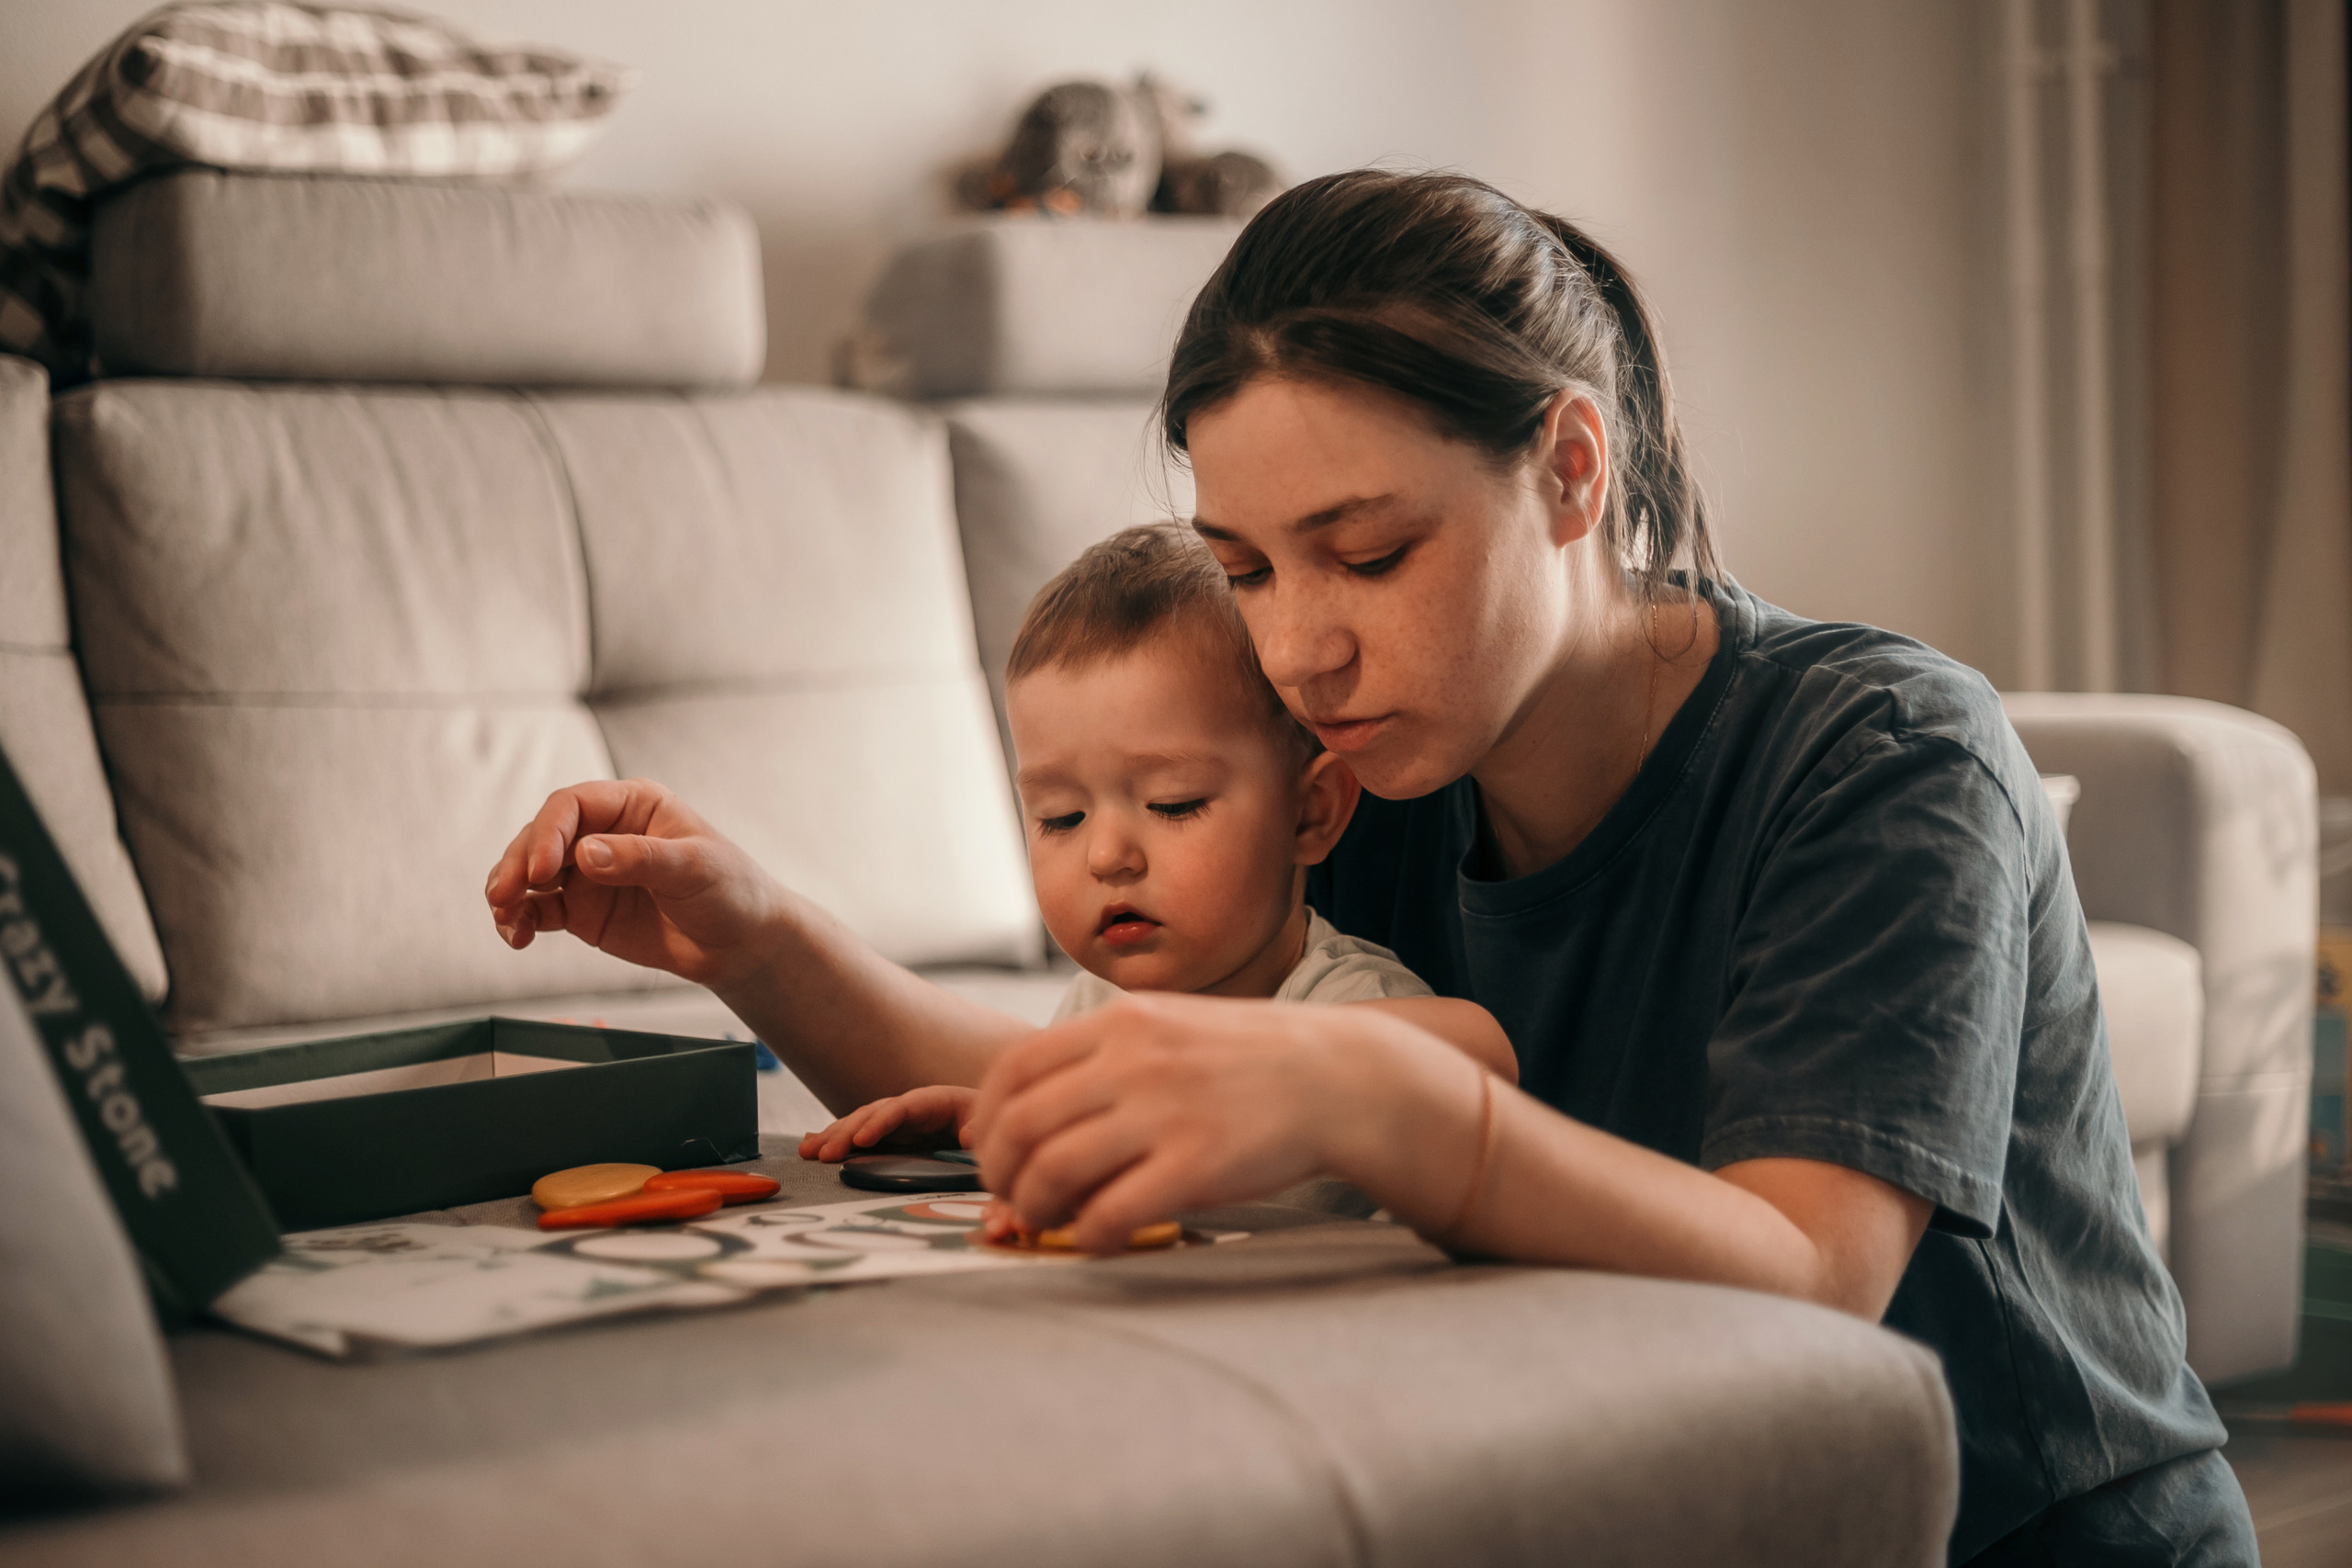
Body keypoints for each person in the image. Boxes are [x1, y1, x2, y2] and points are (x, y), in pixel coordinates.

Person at [483, 170, 2253, 1562]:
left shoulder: (1877, 754)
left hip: (2011, 1529)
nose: (1303, 649)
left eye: (1366, 552)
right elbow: (1104, 1077)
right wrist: (756, 935)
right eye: (1248, 569)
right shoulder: (1371, 755)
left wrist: (1375, 1099)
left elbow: (1808, 1286)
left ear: (1570, 469)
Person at [793, 522, 1513, 1166]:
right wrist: (1000, 1122)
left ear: (1310, 815)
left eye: (1174, 804)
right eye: (1060, 818)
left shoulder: (1343, 1000)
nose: (1106, 856)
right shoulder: (1094, 1006)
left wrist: (1223, 1070)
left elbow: (1478, 1054)